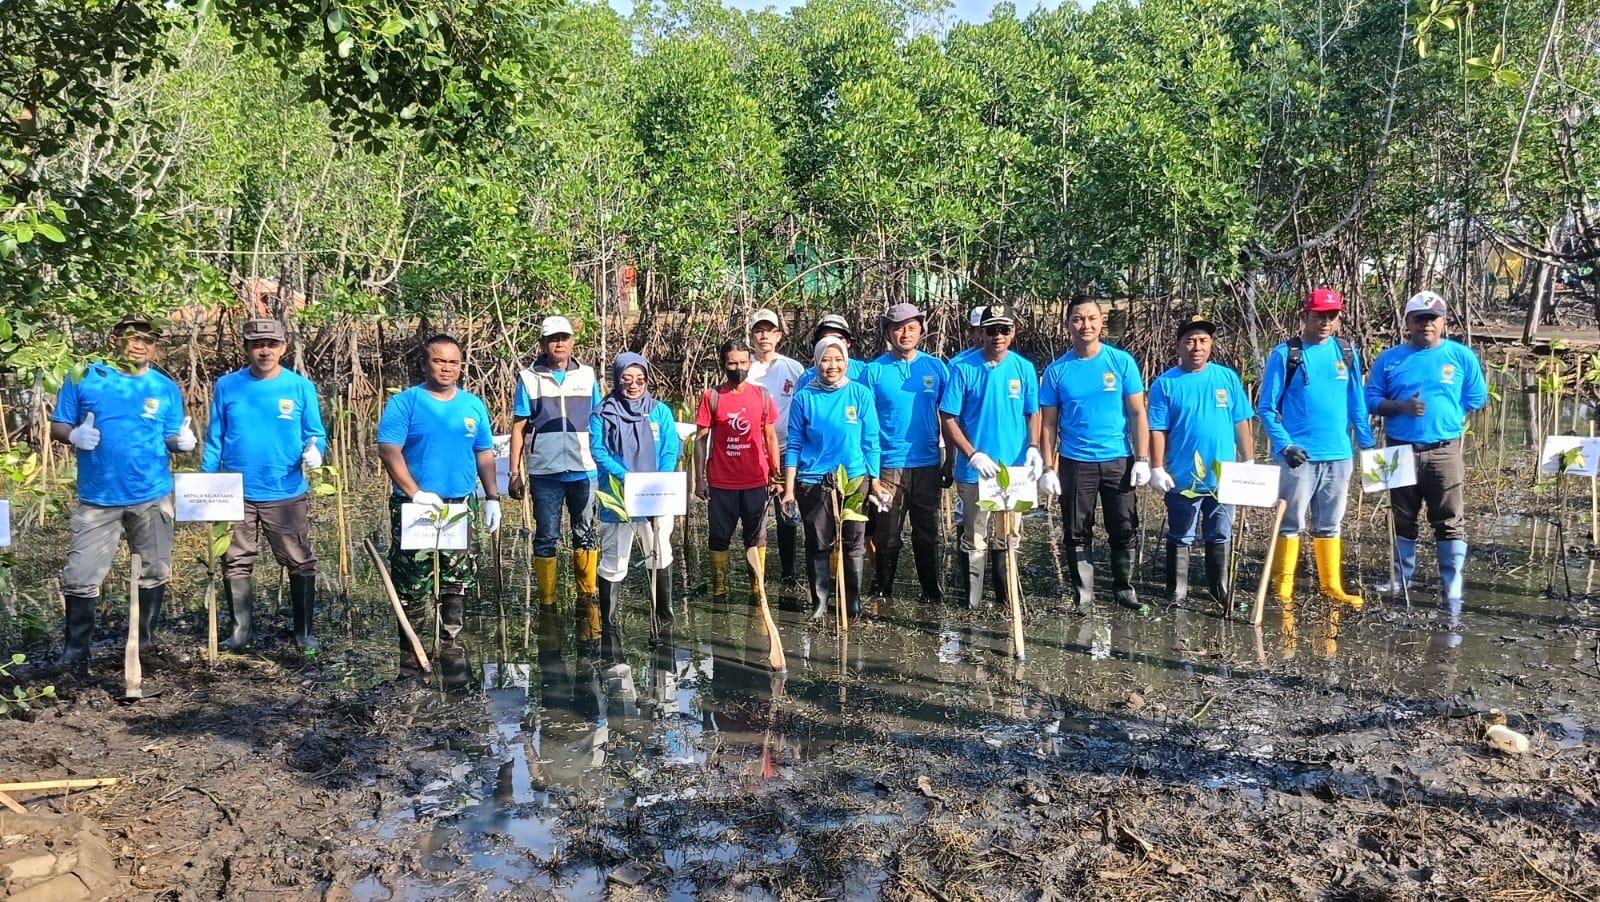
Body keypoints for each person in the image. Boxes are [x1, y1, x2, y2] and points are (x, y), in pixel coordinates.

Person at [52, 314, 197, 671]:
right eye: (131, 336)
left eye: (148, 340)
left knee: (155, 569)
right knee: (81, 575)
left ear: (155, 346)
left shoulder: (164, 387)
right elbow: (59, 423)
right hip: (98, 498)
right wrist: (72, 436)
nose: (139, 344)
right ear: (114, 338)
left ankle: (143, 641)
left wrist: (180, 442)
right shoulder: (85, 375)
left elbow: (169, 432)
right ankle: (76, 652)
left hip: (152, 494)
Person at [201, 318, 328, 652]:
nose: (265, 350)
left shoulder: (300, 387)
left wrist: (316, 451)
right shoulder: (227, 386)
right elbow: (215, 437)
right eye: (257, 344)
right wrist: (205, 481)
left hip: (285, 490)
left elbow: (315, 432)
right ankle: (241, 632)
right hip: (234, 491)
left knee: (299, 560)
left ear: (283, 348)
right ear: (246, 348)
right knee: (235, 559)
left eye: (272, 344)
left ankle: (303, 632)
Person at [376, 334, 500, 651]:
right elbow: (389, 451)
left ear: (461, 366)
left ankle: (450, 641)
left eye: (453, 362)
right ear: (425, 363)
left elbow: (484, 453)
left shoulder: (473, 405)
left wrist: (492, 498)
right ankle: (413, 645)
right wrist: (415, 492)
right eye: (439, 360)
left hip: (459, 503)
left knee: (456, 576)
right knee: (412, 578)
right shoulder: (405, 403)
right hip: (414, 505)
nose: (447, 368)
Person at [1256, 289, 1377, 608]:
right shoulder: (1286, 355)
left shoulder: (1347, 351)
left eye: (1331, 316)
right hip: (1299, 458)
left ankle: (1331, 586)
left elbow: (1357, 403)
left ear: (1339, 319)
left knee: (1330, 523)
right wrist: (1285, 445)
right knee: (1291, 522)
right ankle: (1283, 588)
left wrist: (1367, 445)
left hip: (1339, 455)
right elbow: (1266, 408)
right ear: (1305, 316)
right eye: (1318, 316)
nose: (1325, 322)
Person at [1365, 290, 1488, 604]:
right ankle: (1399, 578)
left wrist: (1445, 414)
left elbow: (1476, 398)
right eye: (1419, 319)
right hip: (1397, 449)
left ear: (1443, 322)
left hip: (1443, 450)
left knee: (1448, 518)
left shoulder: (1461, 356)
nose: (1426, 325)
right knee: (1401, 517)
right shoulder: (1390, 359)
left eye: (1432, 319)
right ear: (1408, 322)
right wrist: (1400, 407)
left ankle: (1453, 584)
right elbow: (1369, 400)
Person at [1038, 297, 1151, 614]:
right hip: (1075, 462)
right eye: (1077, 319)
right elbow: (1048, 423)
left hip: (1118, 459)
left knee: (1124, 527)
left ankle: (1123, 588)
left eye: (1091, 318)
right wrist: (1048, 467)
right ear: (1068, 324)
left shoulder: (1121, 362)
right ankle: (1084, 595)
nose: (1084, 325)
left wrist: (1142, 459)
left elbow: (1138, 413)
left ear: (1102, 322)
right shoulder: (1057, 370)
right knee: (1076, 530)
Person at [939, 304, 1042, 610]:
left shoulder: (1023, 368)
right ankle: (972, 602)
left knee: (1008, 536)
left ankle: (1005, 598)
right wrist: (971, 455)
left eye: (1004, 330)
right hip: (976, 472)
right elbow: (948, 417)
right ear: (980, 333)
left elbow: (1032, 411)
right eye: (991, 330)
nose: (998, 336)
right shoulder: (962, 368)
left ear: (1013, 333)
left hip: (1015, 470)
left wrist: (1034, 447)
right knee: (975, 536)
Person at [1148, 317, 1255, 611]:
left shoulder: (1227, 378)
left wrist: (1248, 459)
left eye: (1203, 341)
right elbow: (1157, 429)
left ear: (1211, 345)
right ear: (1179, 346)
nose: (1197, 347)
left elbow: (1241, 420)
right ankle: (1177, 590)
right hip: (1183, 476)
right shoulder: (1165, 384)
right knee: (1181, 533)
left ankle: (1218, 588)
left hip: (1224, 477)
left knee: (1220, 531)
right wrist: (1157, 467)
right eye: (1190, 341)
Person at [783, 336, 883, 620]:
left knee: (853, 541)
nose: (832, 366)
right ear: (816, 363)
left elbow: (871, 441)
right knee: (818, 542)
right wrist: (789, 488)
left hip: (853, 479)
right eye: (826, 360)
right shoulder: (804, 398)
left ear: (846, 362)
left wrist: (873, 479)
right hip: (814, 481)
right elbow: (793, 444)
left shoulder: (861, 394)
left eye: (838, 360)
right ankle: (820, 601)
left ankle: (852, 602)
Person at [508, 315, 603, 611]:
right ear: (543, 343)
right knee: (546, 536)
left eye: (564, 337)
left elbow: (599, 421)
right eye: (552, 339)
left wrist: (604, 462)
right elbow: (519, 428)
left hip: (584, 469)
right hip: (544, 472)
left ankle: (587, 598)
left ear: (573, 341)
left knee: (585, 532)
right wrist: (515, 472)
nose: (559, 343)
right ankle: (547, 602)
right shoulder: (529, 378)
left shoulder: (587, 376)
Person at [861, 303, 948, 603]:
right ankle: (883, 588)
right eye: (898, 327)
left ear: (921, 331)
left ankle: (931, 591)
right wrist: (870, 471)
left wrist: (948, 460)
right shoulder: (873, 372)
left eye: (911, 327)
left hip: (926, 464)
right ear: (887, 332)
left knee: (927, 531)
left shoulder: (936, 368)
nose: (905, 333)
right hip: (887, 466)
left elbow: (949, 417)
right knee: (886, 533)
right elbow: (864, 424)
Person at [590, 352, 682, 635]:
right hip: (619, 496)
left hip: (656, 495)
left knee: (660, 551)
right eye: (626, 379)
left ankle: (663, 617)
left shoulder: (660, 411)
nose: (633, 385)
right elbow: (599, 452)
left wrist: (658, 480)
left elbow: (670, 448)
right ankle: (609, 624)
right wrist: (628, 477)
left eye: (640, 379)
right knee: (614, 560)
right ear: (616, 380)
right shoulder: (602, 413)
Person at [695, 339, 782, 601]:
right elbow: (701, 441)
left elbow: (770, 438)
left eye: (743, 362)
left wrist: (776, 475)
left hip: (755, 481)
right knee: (719, 537)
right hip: (721, 483)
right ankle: (719, 588)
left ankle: (757, 588)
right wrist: (699, 479)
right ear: (723, 364)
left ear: (750, 363)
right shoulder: (711, 397)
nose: (738, 368)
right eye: (732, 363)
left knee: (756, 538)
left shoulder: (762, 397)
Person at [746, 309, 806, 587]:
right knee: (755, 514)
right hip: (752, 452)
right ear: (752, 336)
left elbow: (806, 404)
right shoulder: (745, 368)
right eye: (759, 330)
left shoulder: (793, 368)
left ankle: (788, 573)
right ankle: (757, 575)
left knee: (787, 512)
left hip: (786, 451)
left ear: (779, 336)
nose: (764, 336)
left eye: (770, 330)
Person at [794, 314, 866, 390]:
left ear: (848, 342)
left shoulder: (863, 371)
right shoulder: (807, 377)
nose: (832, 342)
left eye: (838, 338)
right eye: (825, 339)